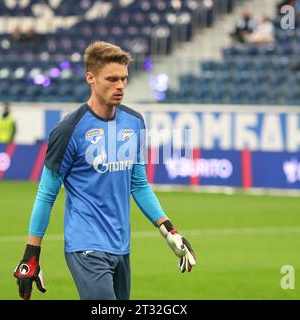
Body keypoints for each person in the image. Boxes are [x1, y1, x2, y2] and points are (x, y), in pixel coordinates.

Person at [13, 41, 196, 300]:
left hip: (121, 247)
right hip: (85, 246)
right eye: (112, 79)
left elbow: (139, 184)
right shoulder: (68, 130)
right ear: (91, 77)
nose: (120, 86)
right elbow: (46, 194)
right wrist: (31, 254)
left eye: (124, 79)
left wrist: (168, 228)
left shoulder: (134, 122)